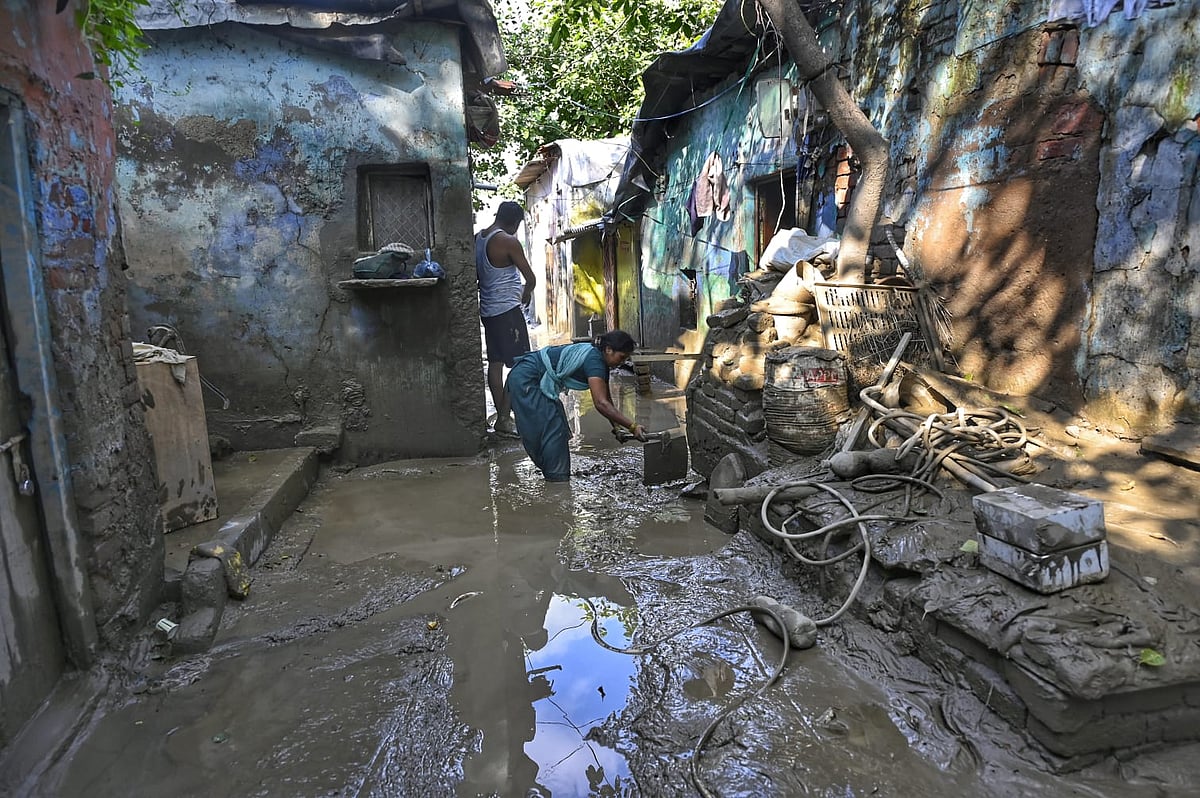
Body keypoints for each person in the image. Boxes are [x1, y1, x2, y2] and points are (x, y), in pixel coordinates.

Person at [506, 330, 648, 482]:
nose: (623, 362)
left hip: (524, 374)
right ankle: (557, 483)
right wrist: (633, 426)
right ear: (608, 350)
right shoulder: (595, 361)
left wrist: (618, 427)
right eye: (621, 357)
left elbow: (606, 399)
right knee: (553, 430)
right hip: (527, 379)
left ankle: (555, 473)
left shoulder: (599, 360)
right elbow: (601, 403)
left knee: (555, 422)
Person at [477, 201, 536, 437]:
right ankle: (505, 417)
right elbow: (530, 278)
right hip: (508, 312)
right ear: (515, 222)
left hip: (489, 312)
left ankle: (504, 416)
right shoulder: (508, 241)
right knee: (522, 365)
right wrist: (527, 294)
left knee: (496, 364)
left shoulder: (478, 239)